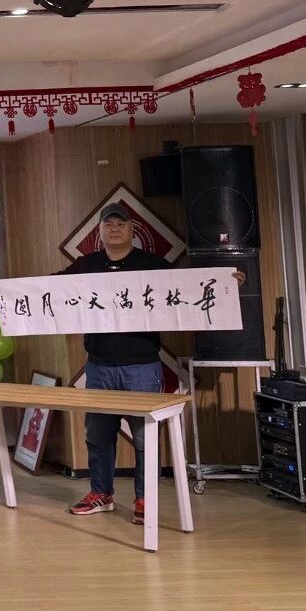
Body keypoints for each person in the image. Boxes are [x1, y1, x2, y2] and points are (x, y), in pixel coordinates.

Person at [35, 203, 244, 524]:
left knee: (145, 436)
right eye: (108, 224)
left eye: (121, 224)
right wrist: (6, 292)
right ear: (100, 231)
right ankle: (100, 493)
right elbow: (51, 288)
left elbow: (189, 287)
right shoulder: (87, 265)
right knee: (98, 436)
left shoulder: (152, 265)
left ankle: (145, 499)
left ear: (132, 229)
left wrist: (226, 283)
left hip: (143, 366)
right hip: (99, 366)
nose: (114, 229)